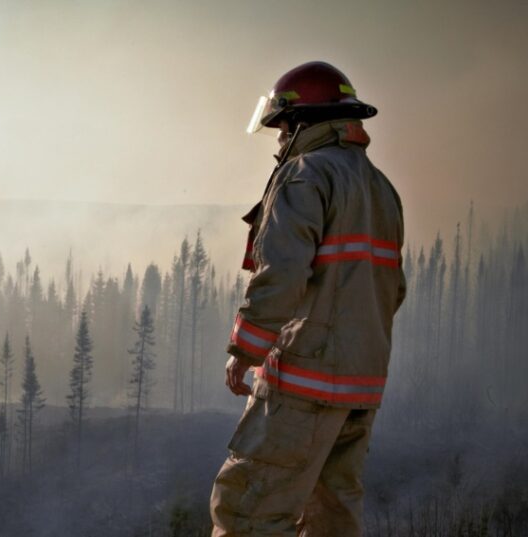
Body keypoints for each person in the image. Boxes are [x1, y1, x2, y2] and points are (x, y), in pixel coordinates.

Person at [209, 61, 406, 536]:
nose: (279, 142)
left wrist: (244, 351)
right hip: (360, 387)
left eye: (281, 130)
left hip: (304, 385)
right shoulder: (380, 187)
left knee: (248, 512)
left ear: (302, 122)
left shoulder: (305, 174)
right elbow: (392, 290)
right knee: (330, 518)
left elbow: (281, 274)